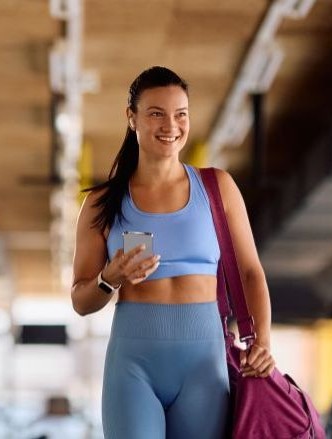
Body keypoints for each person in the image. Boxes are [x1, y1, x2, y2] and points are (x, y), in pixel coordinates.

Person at [70, 66, 276, 438]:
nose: (171, 125)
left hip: (203, 363)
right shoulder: (101, 203)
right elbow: (81, 301)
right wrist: (109, 279)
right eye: (156, 114)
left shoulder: (217, 188)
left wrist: (262, 342)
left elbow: (250, 274)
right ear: (131, 118)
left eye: (181, 114)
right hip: (133, 364)